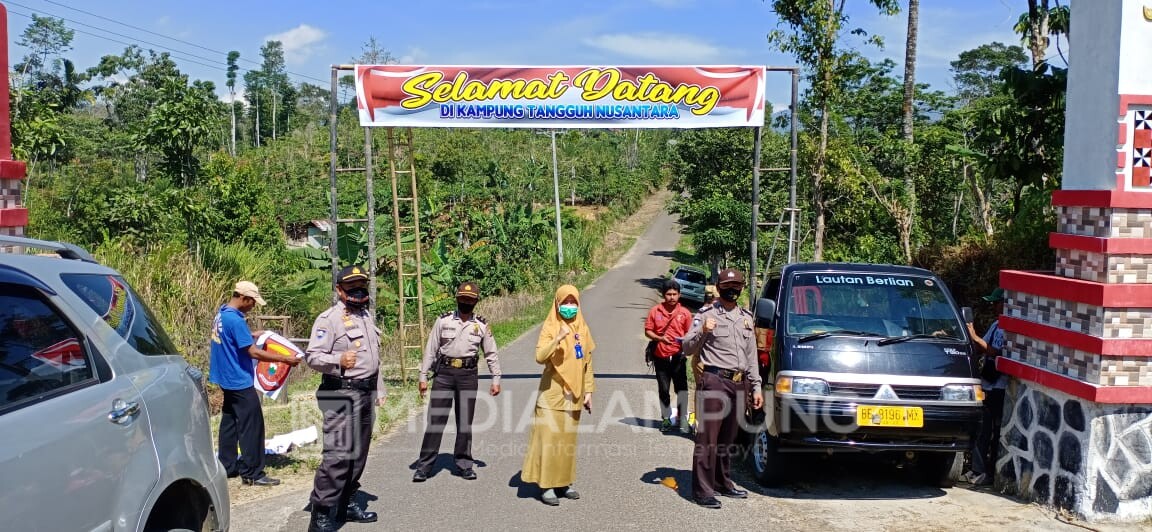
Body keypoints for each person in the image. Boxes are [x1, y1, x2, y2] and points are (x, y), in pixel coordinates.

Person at [304, 266, 386, 532]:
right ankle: (322, 515)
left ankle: (346, 504)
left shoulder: (365, 316)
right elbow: (312, 357)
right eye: (351, 287)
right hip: (340, 393)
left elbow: (375, 358)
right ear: (340, 290)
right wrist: (337, 360)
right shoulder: (329, 320)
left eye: (361, 285)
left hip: (365, 391)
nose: (358, 290)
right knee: (338, 455)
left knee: (358, 454)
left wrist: (379, 388)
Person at [681, 268, 763, 509]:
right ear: (718, 287)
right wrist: (703, 331)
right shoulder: (705, 314)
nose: (732, 290)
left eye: (737, 286)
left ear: (742, 288)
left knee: (728, 438)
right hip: (714, 380)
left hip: (739, 383)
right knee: (708, 438)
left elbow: (752, 357)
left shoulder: (747, 317)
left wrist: (756, 387)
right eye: (728, 286)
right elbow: (686, 347)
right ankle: (702, 490)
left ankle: (722, 481)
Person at [209, 280, 300, 488]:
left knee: (230, 422)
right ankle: (253, 473)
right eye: (252, 302)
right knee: (252, 426)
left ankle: (227, 465)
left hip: (225, 378)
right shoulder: (236, 321)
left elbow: (232, 339)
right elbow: (253, 352)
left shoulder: (222, 314)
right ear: (243, 298)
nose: (253, 307)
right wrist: (284, 359)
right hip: (239, 380)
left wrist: (250, 335)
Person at [413, 281, 502, 482]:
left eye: (469, 300)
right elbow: (431, 348)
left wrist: (496, 378)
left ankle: (464, 463)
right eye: (462, 298)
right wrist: (423, 375)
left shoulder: (480, 325)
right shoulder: (443, 321)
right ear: (456, 298)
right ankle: (424, 466)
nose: (465, 302)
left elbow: (491, 352)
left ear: (476, 301)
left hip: (467, 376)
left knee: (465, 423)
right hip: (443, 374)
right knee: (435, 420)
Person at [521, 284, 596, 506]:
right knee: (549, 440)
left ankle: (564, 482)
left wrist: (589, 390)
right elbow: (540, 356)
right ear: (557, 303)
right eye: (566, 302)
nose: (570, 307)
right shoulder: (551, 326)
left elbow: (587, 363)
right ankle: (546, 485)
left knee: (567, 442)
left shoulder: (582, 327)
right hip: (551, 394)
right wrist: (558, 338)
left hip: (574, 394)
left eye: (573, 302)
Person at [964, 287, 1007, 487]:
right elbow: (983, 348)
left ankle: (989, 473)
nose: (993, 306)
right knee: (981, 429)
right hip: (987, 385)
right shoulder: (996, 324)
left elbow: (998, 352)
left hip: (1000, 387)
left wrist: (975, 337)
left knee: (995, 433)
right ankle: (977, 470)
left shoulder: (1012, 328)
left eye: (996, 302)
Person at [645, 279, 694, 434]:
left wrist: (685, 345)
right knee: (663, 389)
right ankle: (666, 418)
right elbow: (648, 331)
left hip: (679, 357)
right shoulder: (655, 311)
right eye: (668, 294)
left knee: (682, 389)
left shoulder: (685, 313)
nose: (671, 297)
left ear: (679, 295)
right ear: (663, 295)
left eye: (674, 294)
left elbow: (690, 334)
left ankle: (682, 418)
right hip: (660, 357)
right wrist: (660, 338)